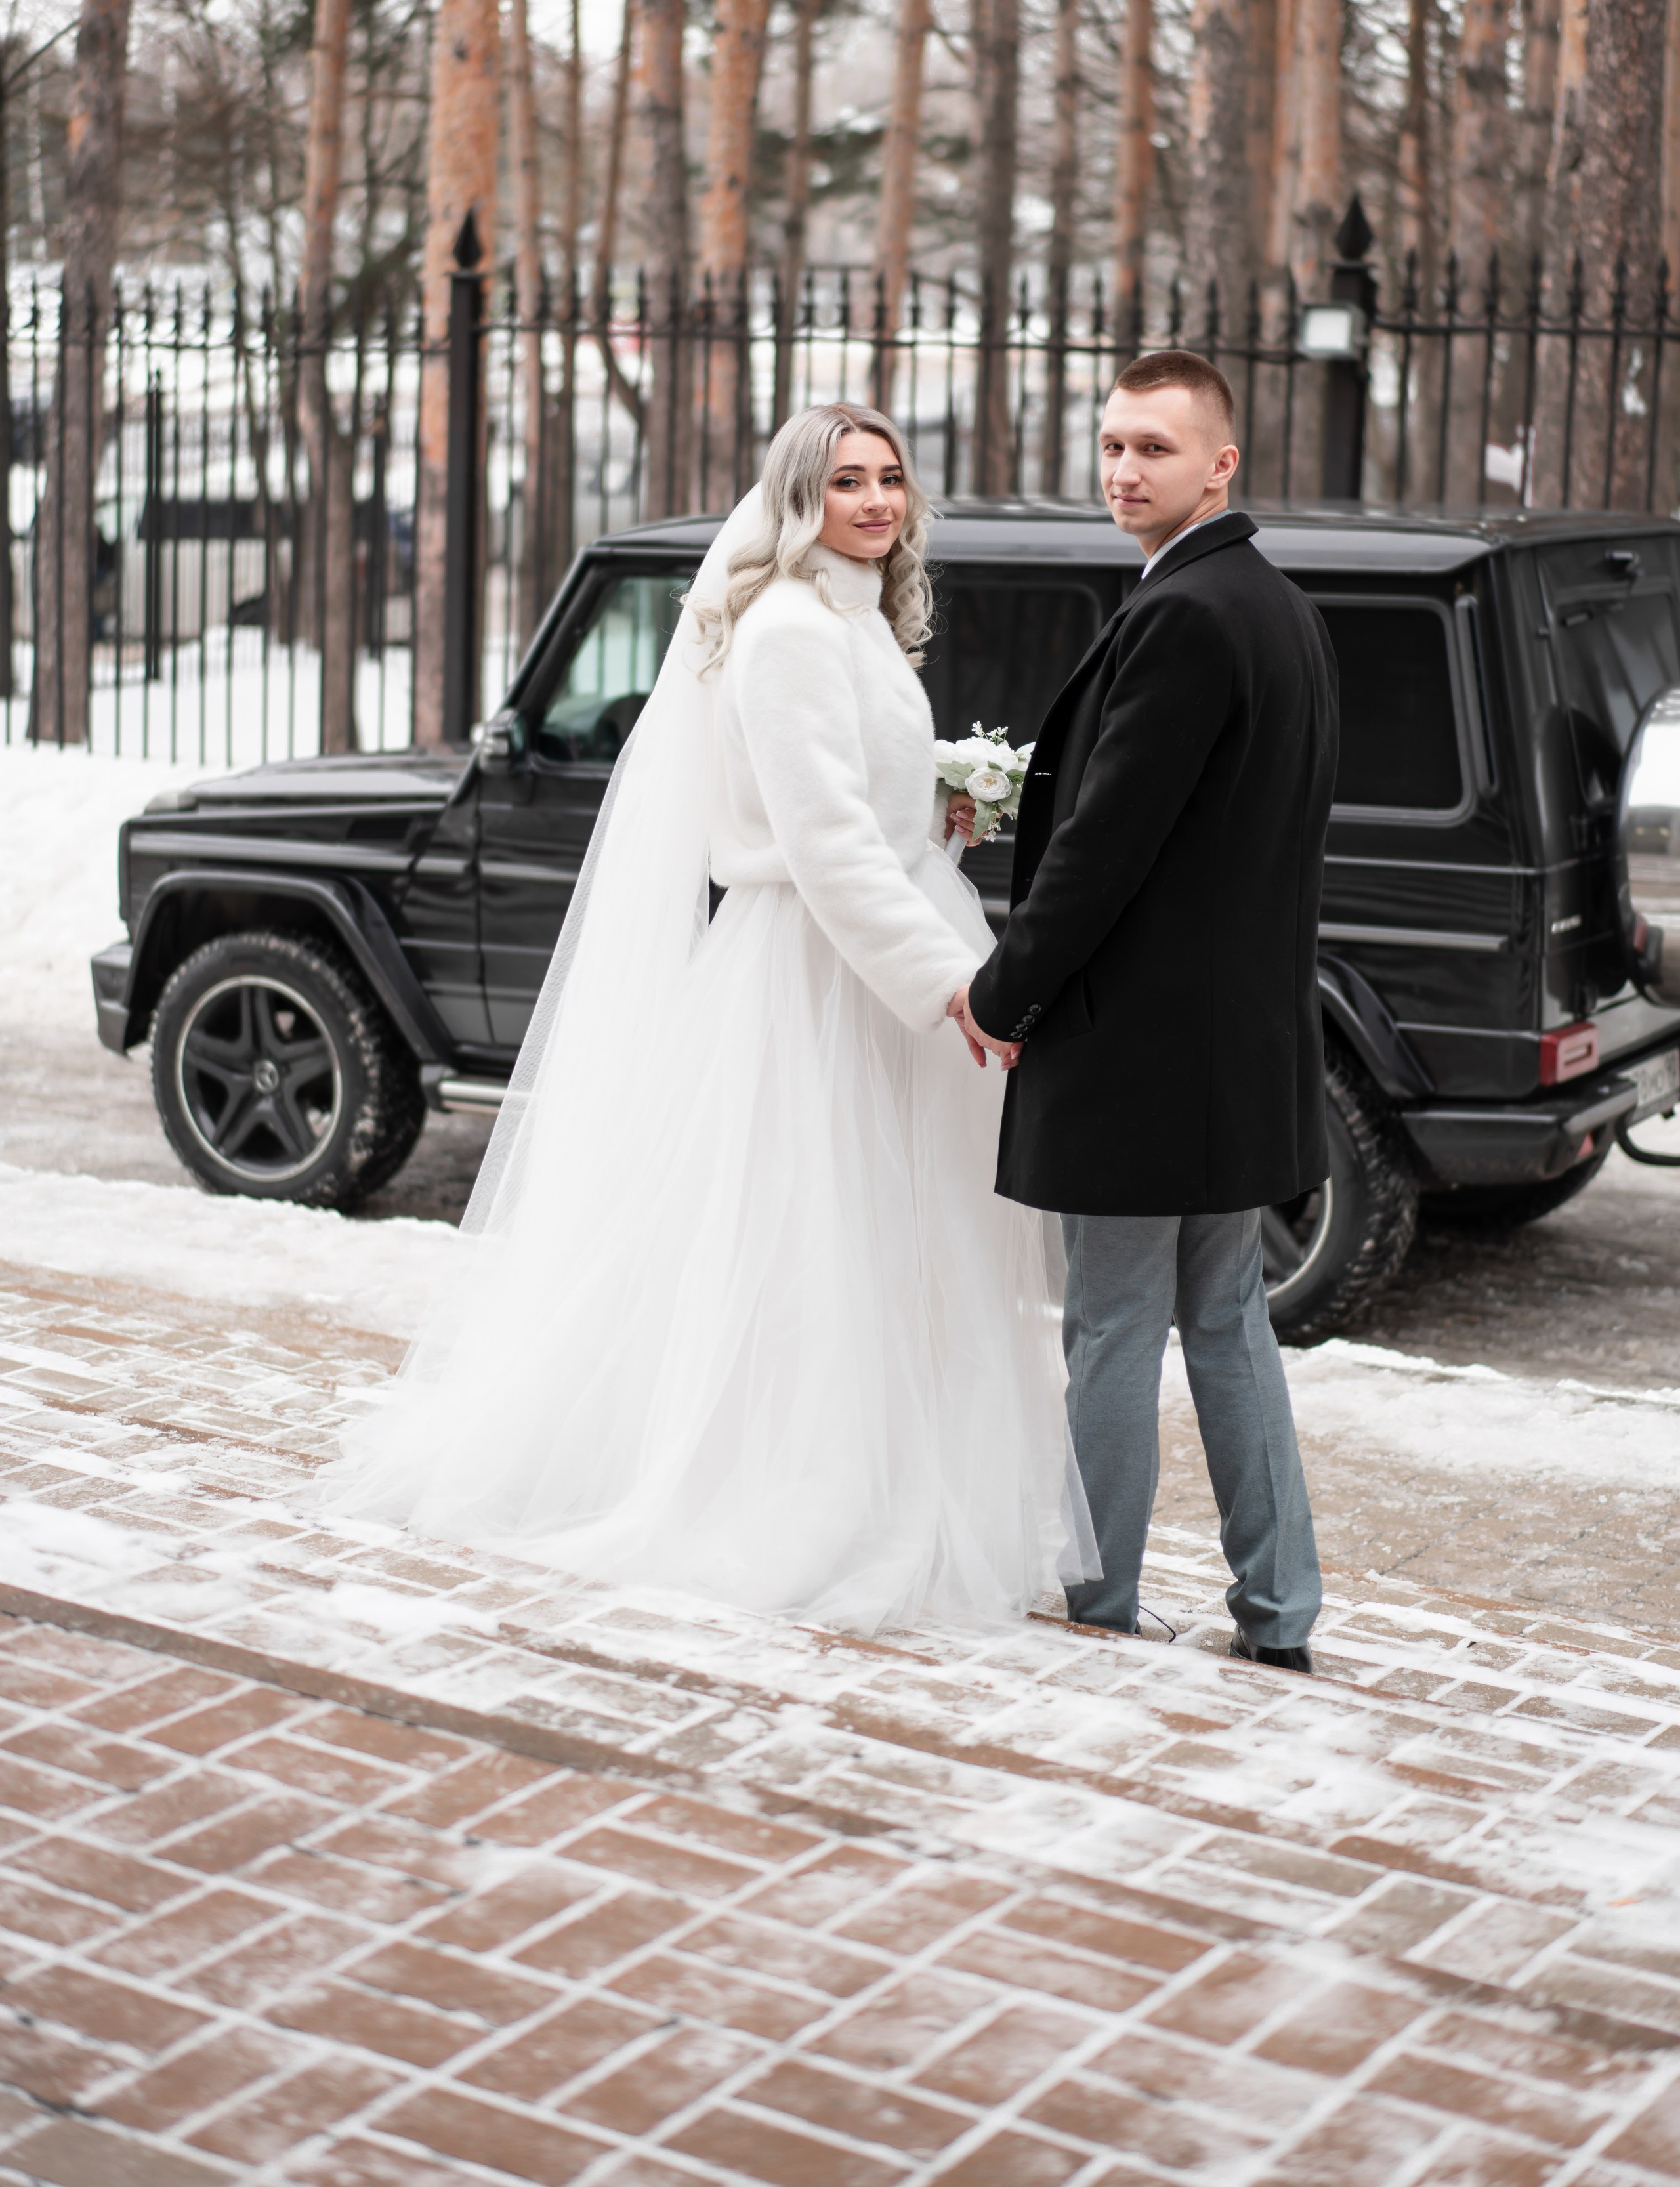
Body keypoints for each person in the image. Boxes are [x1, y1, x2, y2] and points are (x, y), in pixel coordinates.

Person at [322, 404, 1097, 1636]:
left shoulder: (857, 618)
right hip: (818, 972)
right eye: (846, 482)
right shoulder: (791, 627)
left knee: (884, 1240)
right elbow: (823, 843)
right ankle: (800, 1491)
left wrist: (941, 805)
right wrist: (942, 981)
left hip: (873, 946)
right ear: (800, 499)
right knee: (808, 1240)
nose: (877, 501)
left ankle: (876, 1470)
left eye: (890, 478)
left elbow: (858, 799)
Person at [951, 350, 1338, 1673]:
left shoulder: (1185, 615)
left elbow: (1102, 850)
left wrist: (1003, 993)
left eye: (1153, 449)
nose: (1122, 470)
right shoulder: (1274, 605)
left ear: (1218, 464)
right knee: (1225, 1325)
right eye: (1111, 444)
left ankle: (1098, 1604)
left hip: (1134, 1053)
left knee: (1112, 1327)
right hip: (1232, 1052)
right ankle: (1278, 1612)